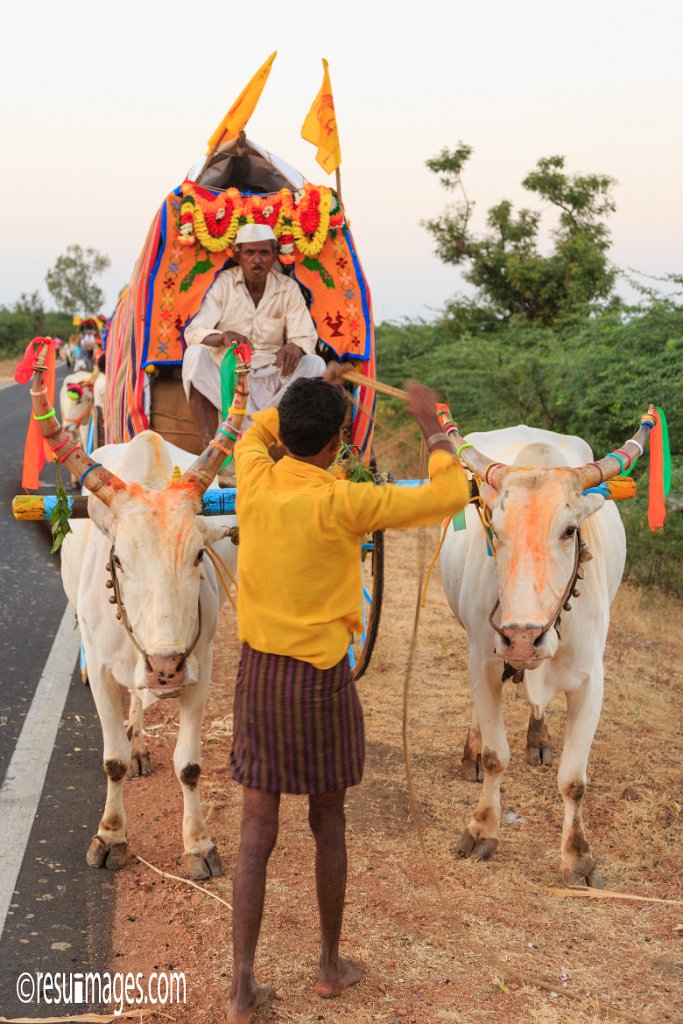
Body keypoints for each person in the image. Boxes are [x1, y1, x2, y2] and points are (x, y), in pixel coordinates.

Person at [226, 371, 470, 1024]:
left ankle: (242, 986)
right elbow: (447, 493)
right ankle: (330, 966)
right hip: (318, 682)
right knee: (327, 820)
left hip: (258, 678)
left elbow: (255, 430)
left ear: (286, 436)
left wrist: (307, 396)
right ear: (337, 443)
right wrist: (431, 426)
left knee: (256, 832)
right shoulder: (346, 504)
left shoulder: (251, 477)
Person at [182, 222, 325, 463]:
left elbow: (306, 335)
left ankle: (257, 425)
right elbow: (194, 331)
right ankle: (212, 447)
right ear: (238, 256)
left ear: (273, 257)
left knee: (315, 364)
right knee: (195, 355)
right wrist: (222, 336)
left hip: (273, 377)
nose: (256, 260)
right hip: (229, 377)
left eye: (264, 253)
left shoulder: (288, 288)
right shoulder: (224, 284)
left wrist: (295, 347)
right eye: (250, 252)